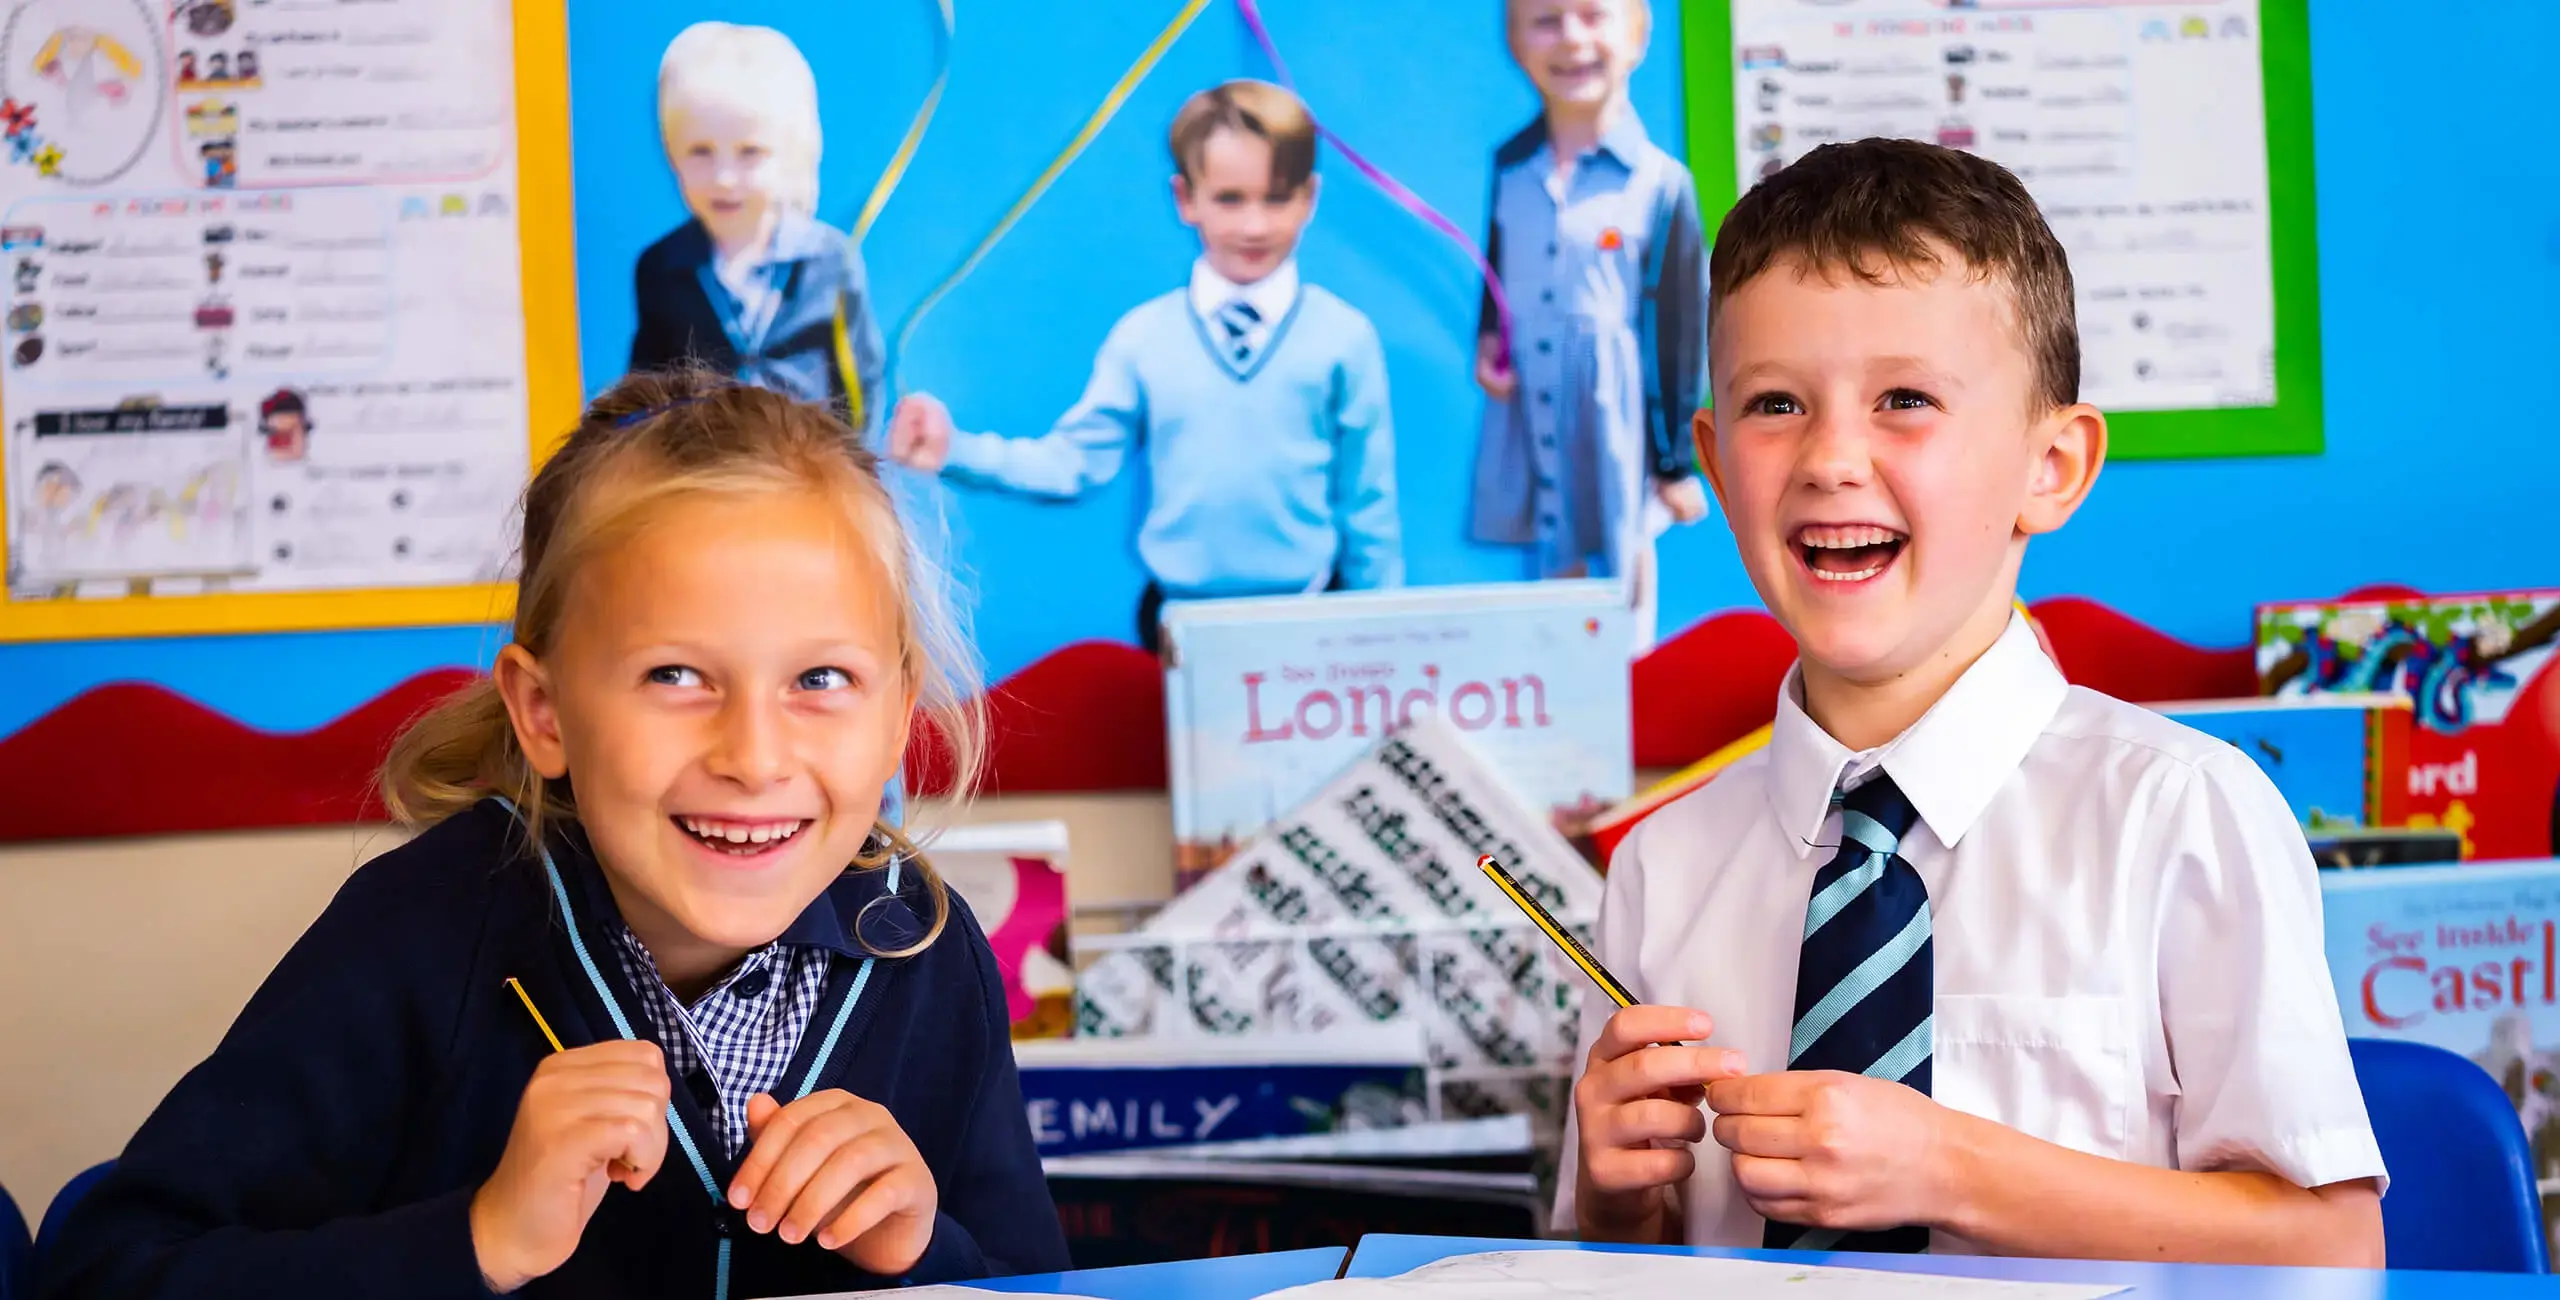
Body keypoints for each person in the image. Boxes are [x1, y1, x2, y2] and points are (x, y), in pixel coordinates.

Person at [37, 372, 1068, 1298]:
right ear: (544, 712)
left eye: (821, 680)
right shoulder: (422, 936)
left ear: (897, 715)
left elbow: (1046, 1288)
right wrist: (476, 1240)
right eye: (676, 676)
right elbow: (106, 1270)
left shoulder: (927, 952)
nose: (754, 756)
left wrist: (923, 1248)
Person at [1556, 140, 2387, 1263]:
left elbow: (2332, 1247)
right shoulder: (1662, 869)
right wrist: (1615, 1203)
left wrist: (1947, 1166)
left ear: (2051, 467)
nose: (1829, 457)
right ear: (1712, 457)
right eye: (1774, 403)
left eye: (1904, 398)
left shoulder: (2182, 815)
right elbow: (1621, 1265)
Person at [888, 79, 1401, 656]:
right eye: (1231, 198)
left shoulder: (1344, 338)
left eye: (1277, 197)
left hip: (1311, 620)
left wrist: (1377, 638)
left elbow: (1369, 505)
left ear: (1309, 197)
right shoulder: (1144, 338)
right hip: (1177, 632)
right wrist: (955, 450)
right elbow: (1073, 463)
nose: (1255, 225)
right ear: (1187, 199)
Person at [1473, 0, 1710, 656]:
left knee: (1619, 536)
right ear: (1516, 41)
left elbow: (1681, 325)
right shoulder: (1509, 167)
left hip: (1614, 404)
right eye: (1546, 20)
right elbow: (1495, 262)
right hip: (1534, 390)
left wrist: (1671, 459)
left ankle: (1629, 671)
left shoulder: (1661, 183)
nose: (1571, 38)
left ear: (1635, 35)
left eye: (1591, 15)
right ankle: (1555, 675)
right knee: (1552, 533)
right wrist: (1490, 338)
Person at [629, 22, 885, 435]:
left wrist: (860, 477)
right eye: (701, 152)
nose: (724, 178)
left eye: (750, 152)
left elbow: (863, 381)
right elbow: (645, 388)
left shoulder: (831, 261)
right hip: (706, 477)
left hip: (808, 478)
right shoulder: (659, 268)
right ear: (672, 152)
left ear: (791, 153)